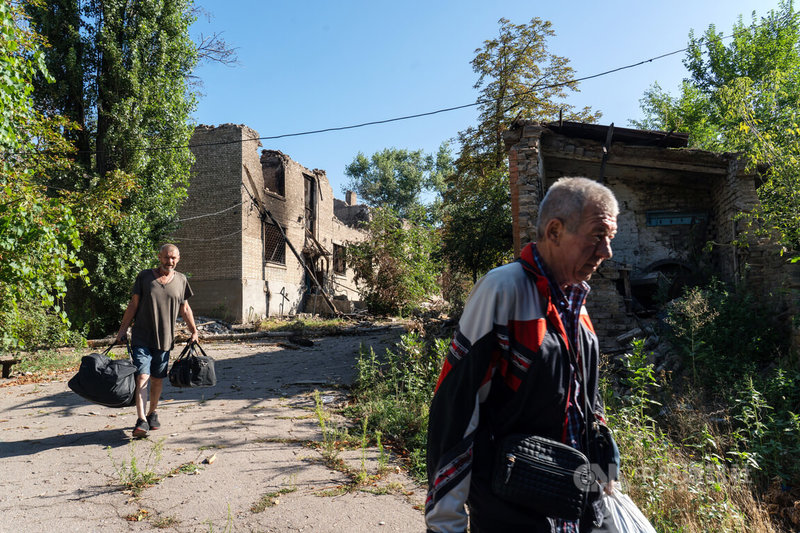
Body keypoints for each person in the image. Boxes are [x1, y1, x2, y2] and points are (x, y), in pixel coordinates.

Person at [425, 177, 620, 533]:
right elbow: (456, 409)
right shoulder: (504, 290)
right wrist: (445, 523)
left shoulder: (576, 302)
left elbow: (588, 403)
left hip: (583, 508)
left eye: (611, 239)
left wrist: (606, 476)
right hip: (515, 513)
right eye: (597, 236)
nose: (607, 252)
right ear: (555, 231)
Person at [115, 244, 199, 438]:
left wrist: (194, 331)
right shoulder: (145, 277)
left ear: (178, 259)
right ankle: (141, 420)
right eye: (167, 257)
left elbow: (185, 309)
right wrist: (122, 330)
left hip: (165, 338)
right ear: (159, 257)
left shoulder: (181, 280)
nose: (170, 261)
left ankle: (153, 413)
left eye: (174, 258)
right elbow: (133, 305)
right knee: (142, 377)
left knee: (157, 379)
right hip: (142, 336)